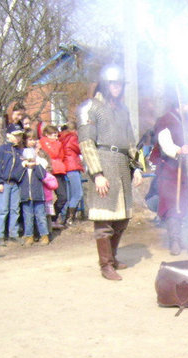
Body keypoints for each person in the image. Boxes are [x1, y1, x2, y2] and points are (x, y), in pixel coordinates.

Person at [77, 63, 143, 281]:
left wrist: (137, 168)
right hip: (103, 163)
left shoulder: (123, 110)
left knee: (122, 219)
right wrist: (97, 173)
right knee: (105, 221)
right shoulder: (90, 107)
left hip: (122, 164)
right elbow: (87, 143)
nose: (117, 87)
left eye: (120, 84)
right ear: (105, 84)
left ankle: (112, 257)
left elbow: (131, 142)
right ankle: (105, 265)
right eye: (113, 83)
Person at [149, 92, 188, 255]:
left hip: (186, 170)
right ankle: (175, 241)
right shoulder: (165, 120)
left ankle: (184, 237)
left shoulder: (186, 121)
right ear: (181, 103)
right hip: (171, 171)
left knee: (185, 204)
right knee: (172, 205)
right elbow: (164, 143)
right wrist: (178, 150)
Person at [0, 102, 26, 211]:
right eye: (18, 114)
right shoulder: (0, 122)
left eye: (22, 115)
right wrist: (0, 153)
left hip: (14, 167)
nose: (19, 117)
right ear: (11, 111)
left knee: (13, 202)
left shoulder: (20, 126)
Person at [0, 123, 26, 246]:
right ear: (8, 135)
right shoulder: (2, 149)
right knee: (3, 209)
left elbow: (19, 170)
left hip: (15, 184)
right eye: (15, 135)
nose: (18, 138)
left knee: (15, 209)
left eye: (20, 136)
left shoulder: (19, 152)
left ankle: (13, 233)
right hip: (4, 183)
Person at [18, 133, 50, 245]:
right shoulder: (23, 169)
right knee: (28, 217)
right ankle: (29, 236)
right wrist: (23, 165)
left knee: (41, 216)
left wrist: (36, 164)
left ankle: (44, 235)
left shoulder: (38, 167)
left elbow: (42, 175)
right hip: (26, 196)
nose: (30, 161)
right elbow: (17, 176)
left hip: (38, 196)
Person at [39, 124, 68, 228]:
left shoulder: (58, 144)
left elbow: (61, 155)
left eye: (57, 135)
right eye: (53, 135)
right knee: (50, 198)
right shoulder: (43, 142)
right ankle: (48, 220)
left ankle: (53, 218)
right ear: (47, 135)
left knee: (63, 197)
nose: (56, 138)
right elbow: (53, 153)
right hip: (50, 171)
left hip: (59, 170)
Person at [59, 122, 85, 225]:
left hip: (66, 167)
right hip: (72, 167)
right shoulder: (72, 137)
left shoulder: (62, 137)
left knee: (70, 195)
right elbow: (80, 149)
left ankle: (63, 217)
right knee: (78, 193)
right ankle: (70, 218)